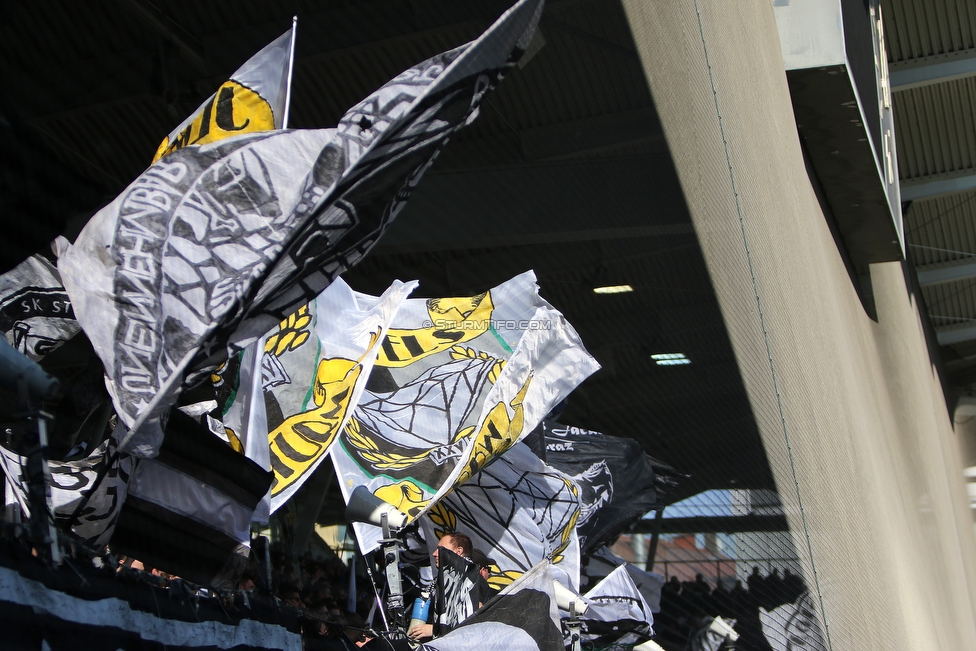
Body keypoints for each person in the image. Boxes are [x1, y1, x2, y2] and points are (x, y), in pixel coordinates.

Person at [407, 533, 485, 642]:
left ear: (459, 551)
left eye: (440, 549)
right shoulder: (442, 581)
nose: (434, 554)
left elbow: (475, 622)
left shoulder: (473, 580)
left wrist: (434, 630)